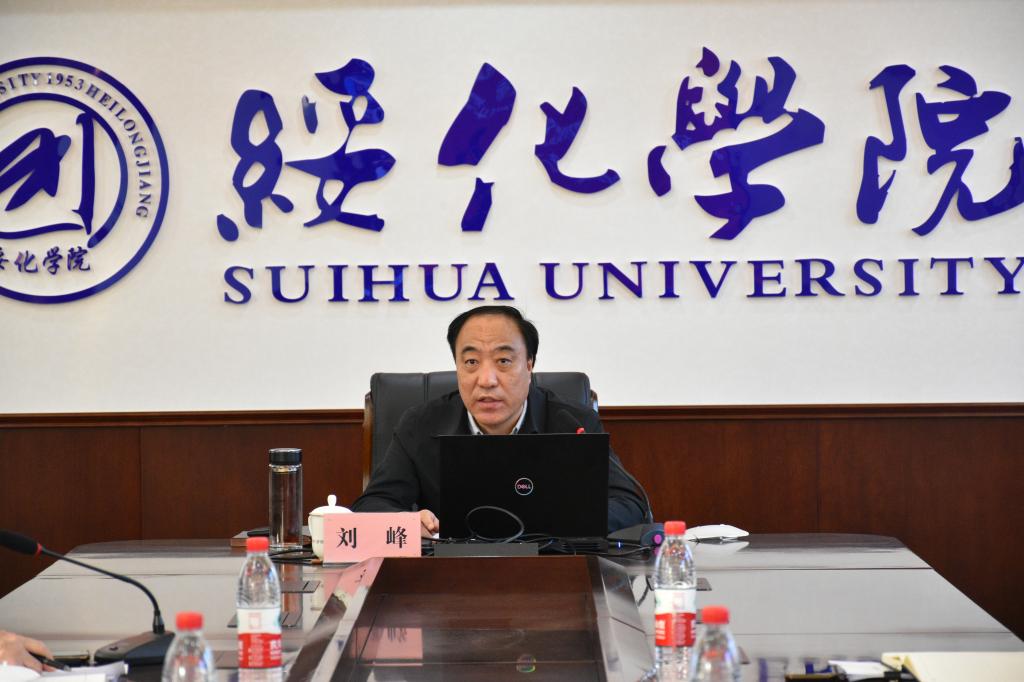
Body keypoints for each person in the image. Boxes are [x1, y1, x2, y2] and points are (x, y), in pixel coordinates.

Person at [352, 305, 647, 537]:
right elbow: (372, 505)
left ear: (529, 365)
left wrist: (562, 521)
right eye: (471, 362)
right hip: (448, 577)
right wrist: (406, 522)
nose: (487, 380)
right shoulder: (421, 424)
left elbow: (628, 505)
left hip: (554, 573)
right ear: (457, 367)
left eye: (503, 361)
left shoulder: (573, 422)